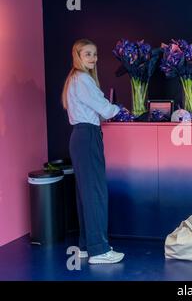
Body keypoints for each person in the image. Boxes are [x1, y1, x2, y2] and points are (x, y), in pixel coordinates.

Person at [62, 39, 125, 264]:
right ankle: (100, 251)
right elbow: (106, 110)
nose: (93, 58)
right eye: (87, 54)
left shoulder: (73, 80)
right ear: (77, 55)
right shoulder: (83, 79)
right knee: (95, 194)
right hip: (87, 137)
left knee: (85, 195)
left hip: (80, 137)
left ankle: (88, 246)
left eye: (95, 54)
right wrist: (120, 109)